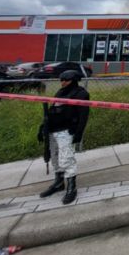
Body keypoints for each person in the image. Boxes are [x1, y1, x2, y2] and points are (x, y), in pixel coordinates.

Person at [37, 69, 90, 204]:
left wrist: (79, 133)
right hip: (53, 130)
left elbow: (83, 116)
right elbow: (52, 110)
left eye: (66, 80)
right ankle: (59, 183)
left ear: (74, 80)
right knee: (55, 158)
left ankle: (72, 187)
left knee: (66, 159)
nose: (62, 82)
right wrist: (43, 127)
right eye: (61, 80)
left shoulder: (81, 94)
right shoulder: (60, 92)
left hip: (66, 131)